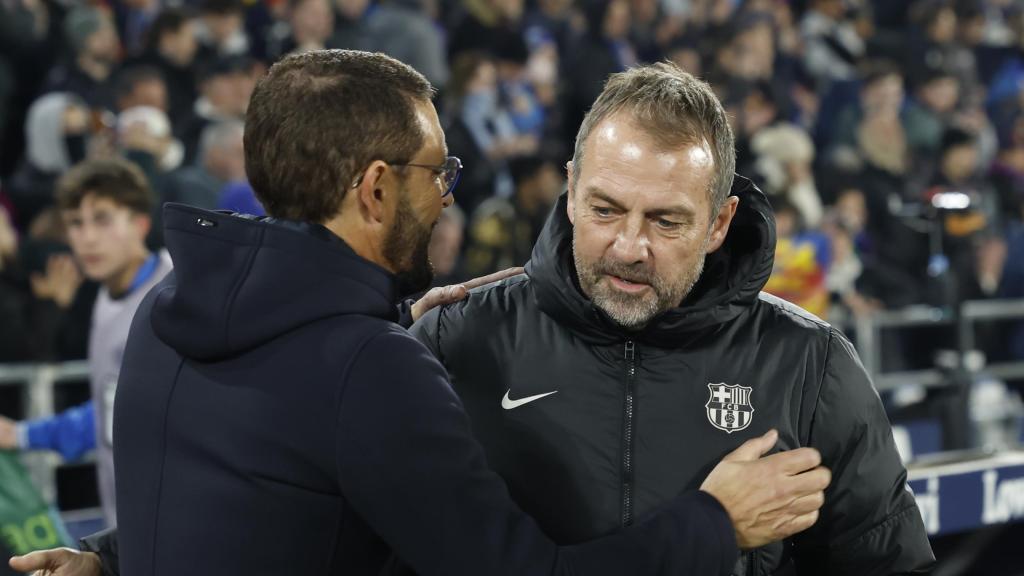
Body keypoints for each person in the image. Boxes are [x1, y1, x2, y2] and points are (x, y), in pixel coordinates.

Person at [10, 50, 830, 576]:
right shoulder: (368, 368)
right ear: (375, 189)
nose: (447, 195)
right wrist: (715, 523)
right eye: (438, 172)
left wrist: (109, 561)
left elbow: (240, 505)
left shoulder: (164, 309)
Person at [409, 63, 935, 574]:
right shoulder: (457, 340)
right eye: (605, 210)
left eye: (665, 221)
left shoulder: (810, 365)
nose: (629, 247)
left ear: (719, 223)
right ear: (571, 191)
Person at [0, 158, 173, 529]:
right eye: (76, 223)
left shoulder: (177, 294)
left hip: (180, 526)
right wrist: (23, 434)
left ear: (140, 224)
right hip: (133, 529)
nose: (88, 237)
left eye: (103, 219)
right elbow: (111, 412)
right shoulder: (106, 298)